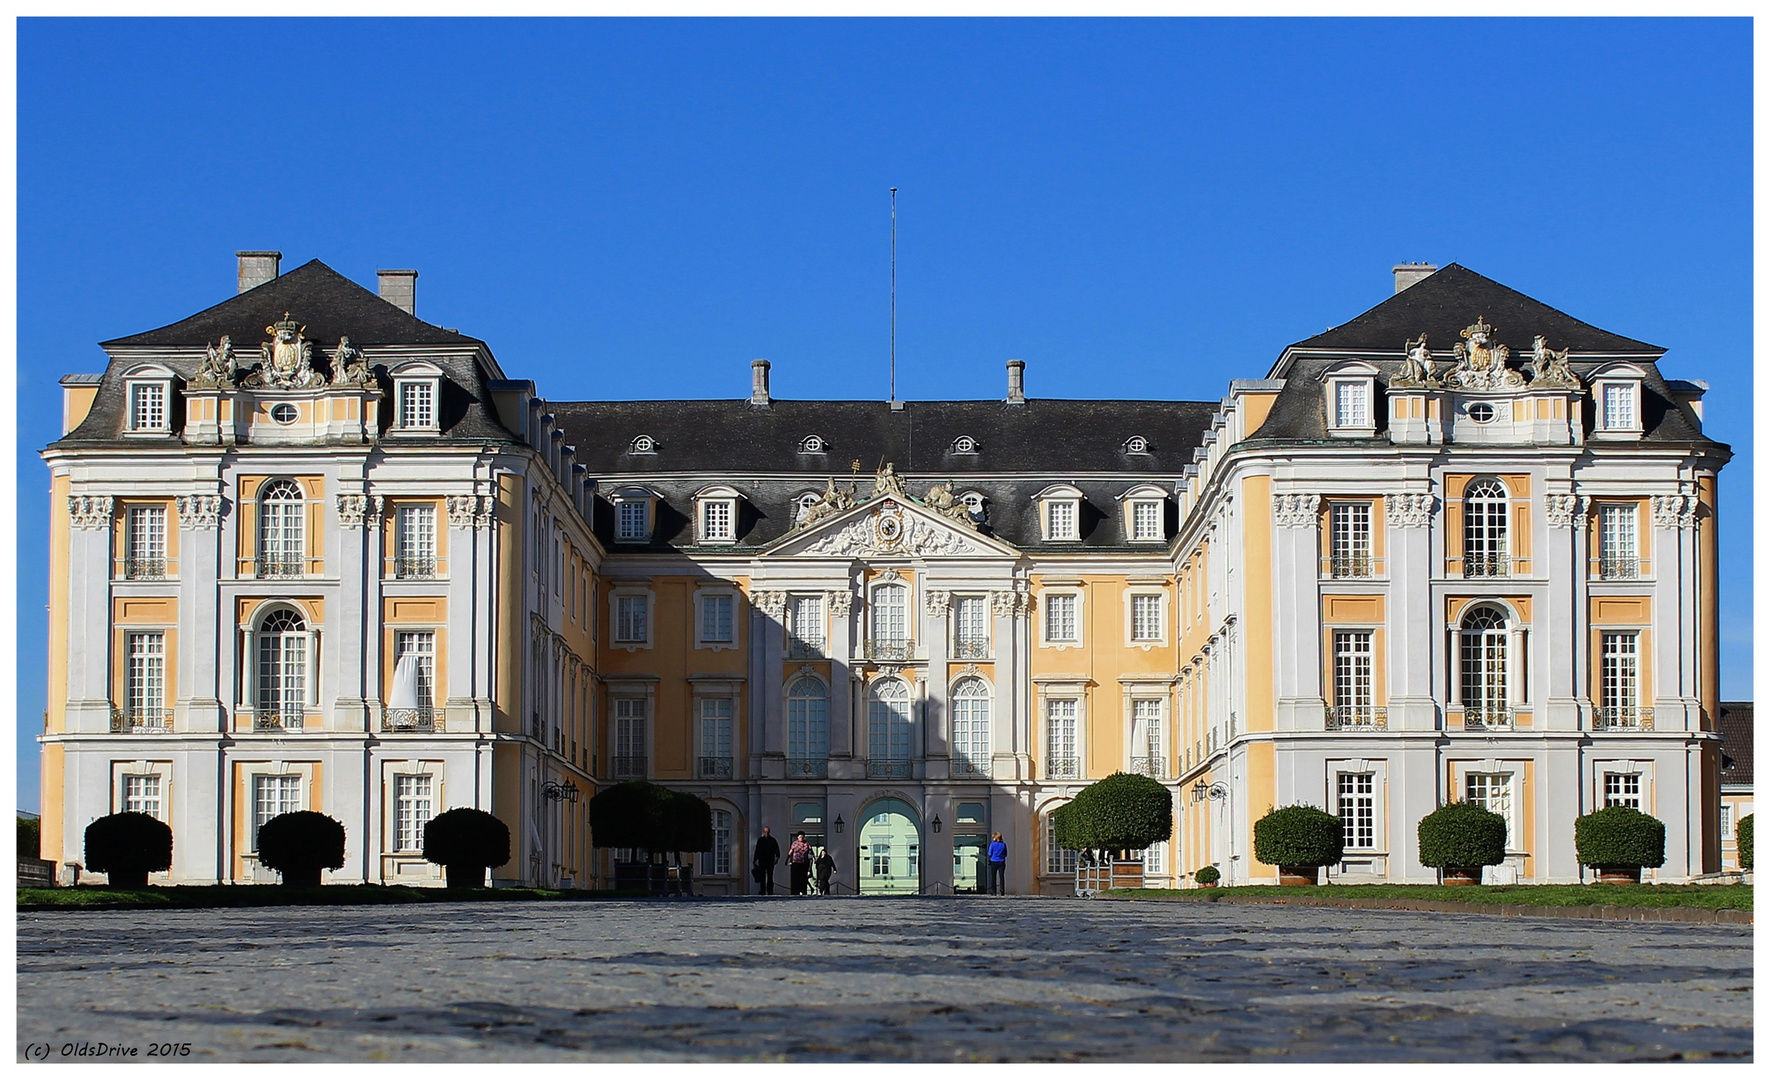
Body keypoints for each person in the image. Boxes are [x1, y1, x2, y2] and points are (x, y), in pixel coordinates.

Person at [753, 826, 780, 895]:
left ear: (769, 832)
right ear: (763, 832)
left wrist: (777, 857)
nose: (766, 833)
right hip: (762, 860)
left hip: (770, 861)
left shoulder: (772, 840)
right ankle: (762, 890)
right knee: (762, 876)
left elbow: (777, 849)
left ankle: (770, 890)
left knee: (770, 876)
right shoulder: (760, 840)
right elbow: (757, 850)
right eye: (765, 832)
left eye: (767, 832)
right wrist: (755, 860)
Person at [987, 831, 1008, 895]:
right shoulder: (1003, 845)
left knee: (993, 876)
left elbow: (989, 853)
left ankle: (994, 891)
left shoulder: (992, 844)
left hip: (994, 861)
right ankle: (1002, 889)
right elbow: (1005, 854)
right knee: (1001, 876)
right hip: (1001, 861)